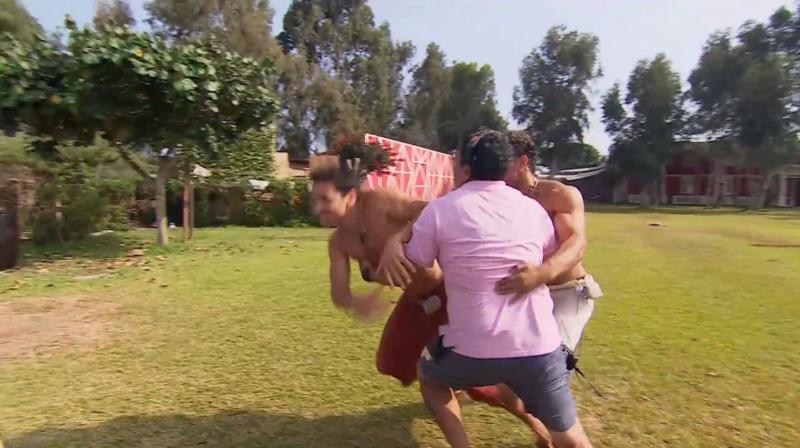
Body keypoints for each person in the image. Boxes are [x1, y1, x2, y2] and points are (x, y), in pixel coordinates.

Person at [398, 130, 592, 448]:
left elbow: (418, 263)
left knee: (431, 378)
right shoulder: (534, 210)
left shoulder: (441, 208)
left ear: (466, 167)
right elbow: (548, 248)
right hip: (538, 350)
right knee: (571, 437)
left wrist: (401, 240)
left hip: (474, 349)